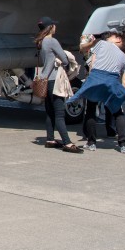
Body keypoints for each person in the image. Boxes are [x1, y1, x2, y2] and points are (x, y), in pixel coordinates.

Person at [72, 29, 125, 153]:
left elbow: (92, 65)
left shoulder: (101, 44)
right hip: (112, 83)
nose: (109, 37)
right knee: (118, 113)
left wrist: (91, 81)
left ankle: (91, 143)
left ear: (118, 40)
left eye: (112, 36)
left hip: (96, 79)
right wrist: (121, 94)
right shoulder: (124, 58)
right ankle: (123, 145)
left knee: (91, 111)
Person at [35, 17, 83, 153]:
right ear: (50, 27)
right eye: (54, 25)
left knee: (50, 112)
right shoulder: (52, 41)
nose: (55, 27)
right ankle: (67, 143)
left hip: (45, 80)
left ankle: (50, 139)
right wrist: (65, 63)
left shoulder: (41, 42)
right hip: (55, 80)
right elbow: (65, 59)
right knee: (60, 113)